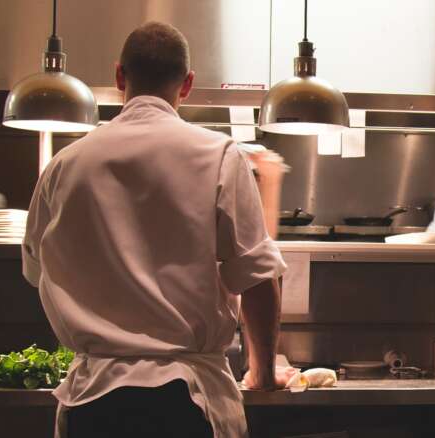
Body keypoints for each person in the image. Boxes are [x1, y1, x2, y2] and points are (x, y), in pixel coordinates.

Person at [21, 22, 287, 438]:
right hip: (185, 403)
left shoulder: (64, 164)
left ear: (120, 76)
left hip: (93, 403)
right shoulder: (219, 155)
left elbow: (37, 272)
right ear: (188, 84)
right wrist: (263, 374)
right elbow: (256, 277)